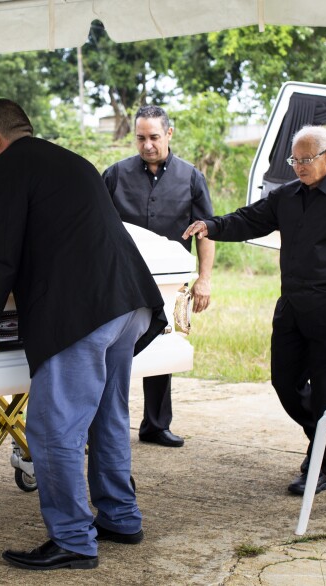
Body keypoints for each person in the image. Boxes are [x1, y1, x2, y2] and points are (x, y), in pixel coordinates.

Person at [0, 99, 168, 571]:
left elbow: (2, 259)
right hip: (129, 302)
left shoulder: (3, 171)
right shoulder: (69, 160)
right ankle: (120, 517)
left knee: (53, 430)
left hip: (82, 313)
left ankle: (74, 540)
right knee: (108, 415)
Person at [183, 125, 326, 496]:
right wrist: (211, 226)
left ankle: (319, 463)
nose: (299, 166)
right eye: (295, 159)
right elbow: (249, 219)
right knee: (285, 382)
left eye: (306, 159)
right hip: (292, 306)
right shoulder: (287, 196)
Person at [102, 105, 214, 448]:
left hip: (170, 280)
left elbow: (205, 232)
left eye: (153, 137)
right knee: (109, 349)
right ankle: (101, 423)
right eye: (140, 138)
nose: (147, 144)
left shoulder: (191, 176)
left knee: (162, 344)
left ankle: (155, 424)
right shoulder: (115, 175)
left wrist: (204, 278)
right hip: (121, 279)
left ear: (169, 133)